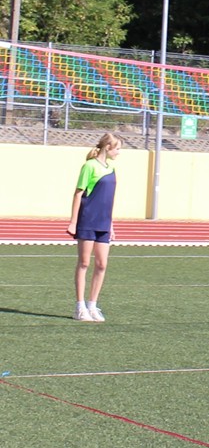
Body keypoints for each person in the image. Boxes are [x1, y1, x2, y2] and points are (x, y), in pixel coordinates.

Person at [66, 132, 123, 322]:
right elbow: (78, 194)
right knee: (84, 263)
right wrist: (73, 222)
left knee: (102, 264)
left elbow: (108, 200)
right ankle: (80, 306)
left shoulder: (112, 169)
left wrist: (111, 224)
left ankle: (92, 305)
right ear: (107, 147)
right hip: (88, 220)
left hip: (103, 222)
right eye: (117, 148)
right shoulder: (89, 166)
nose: (119, 152)